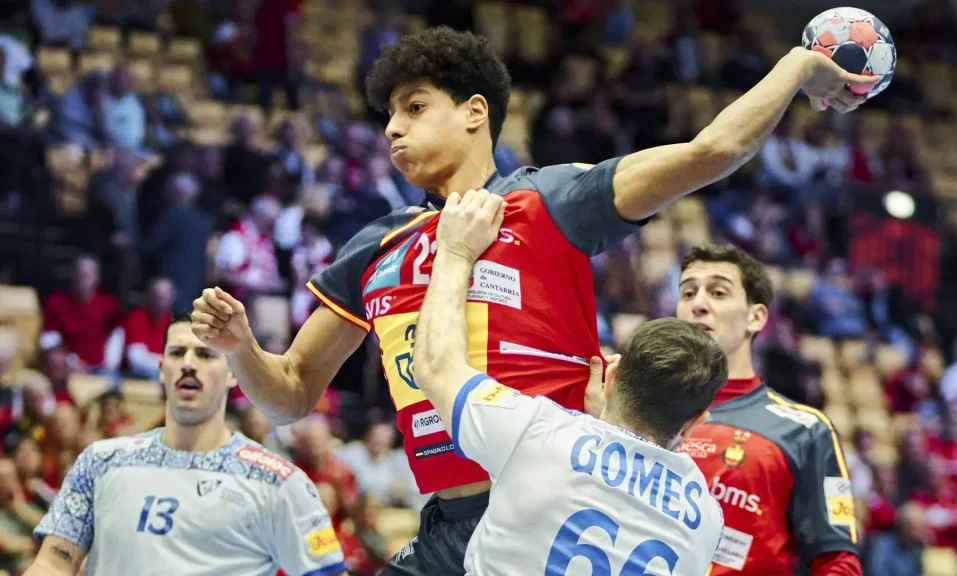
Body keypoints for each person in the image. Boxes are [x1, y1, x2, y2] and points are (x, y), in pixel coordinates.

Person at [190, 26, 877, 575]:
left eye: (414, 107)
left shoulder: (550, 199)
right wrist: (243, 349)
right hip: (444, 524)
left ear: (475, 111)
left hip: (546, 516)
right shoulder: (376, 245)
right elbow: (290, 396)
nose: (392, 128)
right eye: (389, 115)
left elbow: (711, 150)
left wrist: (797, 66)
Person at [413, 190, 727, 575]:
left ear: (611, 376)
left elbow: (435, 366)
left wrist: (456, 253)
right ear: (695, 422)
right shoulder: (707, 520)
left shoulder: (538, 432)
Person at [25, 312, 349, 576]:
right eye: (177, 353)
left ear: (234, 373)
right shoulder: (99, 462)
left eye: (206, 354)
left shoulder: (277, 481)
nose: (189, 364)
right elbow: (52, 563)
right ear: (161, 369)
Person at [672, 244, 862, 575]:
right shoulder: (640, 411)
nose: (698, 304)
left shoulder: (805, 430)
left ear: (756, 317)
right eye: (688, 293)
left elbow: (838, 563)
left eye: (718, 292)